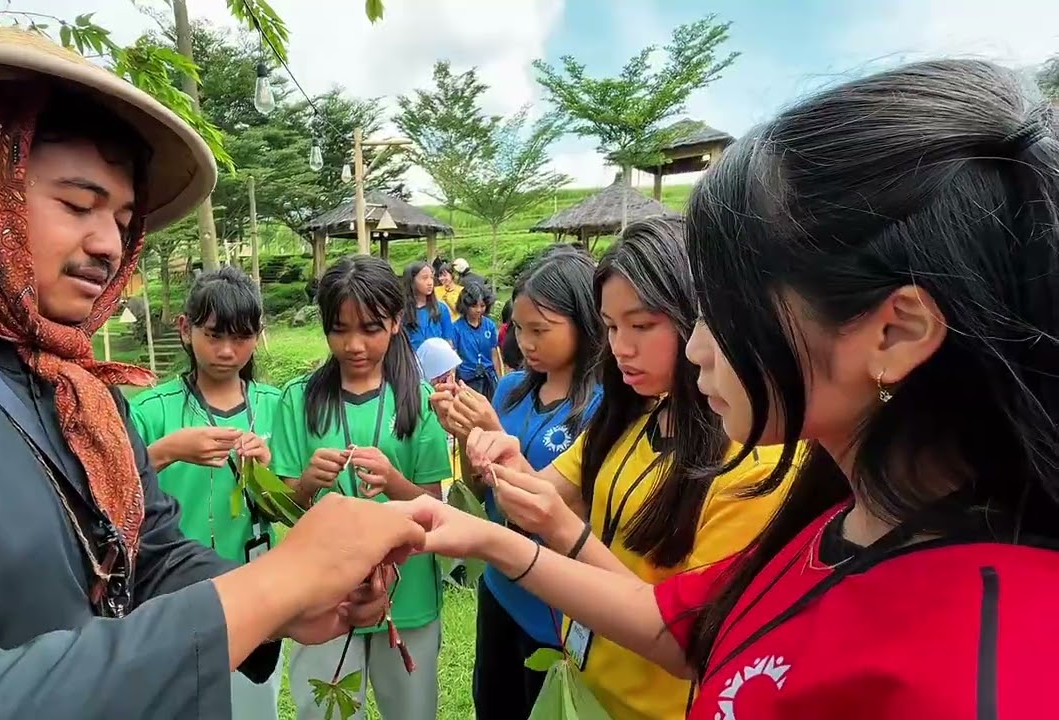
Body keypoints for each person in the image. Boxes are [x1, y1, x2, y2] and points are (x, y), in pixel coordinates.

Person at [0, 27, 417, 719]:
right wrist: (271, 591)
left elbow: (153, 556)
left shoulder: (80, 389)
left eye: (120, 217)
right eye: (77, 205)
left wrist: (293, 597)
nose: (110, 244)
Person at [399, 59, 1059, 718]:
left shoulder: (985, 676)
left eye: (725, 309)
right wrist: (487, 537)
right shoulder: (841, 522)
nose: (696, 347)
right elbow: (686, 629)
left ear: (894, 334)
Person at [463, 217, 792, 719]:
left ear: (703, 317)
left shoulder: (756, 461)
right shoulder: (635, 417)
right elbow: (545, 491)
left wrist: (566, 533)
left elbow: (687, 643)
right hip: (583, 684)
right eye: (611, 327)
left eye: (641, 326)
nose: (620, 348)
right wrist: (504, 457)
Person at [272, 255, 451, 720]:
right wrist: (307, 482)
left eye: (370, 328)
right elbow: (283, 502)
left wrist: (395, 483)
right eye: (339, 329)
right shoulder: (300, 399)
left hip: (406, 596)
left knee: (412, 711)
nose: (353, 345)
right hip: (324, 597)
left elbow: (435, 507)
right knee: (325, 712)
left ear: (395, 322)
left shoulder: (420, 400)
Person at [433, 247, 605, 719]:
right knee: (493, 702)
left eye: (540, 331)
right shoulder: (512, 389)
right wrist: (468, 435)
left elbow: (553, 510)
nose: (525, 343)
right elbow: (482, 488)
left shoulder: (602, 410)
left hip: (555, 601)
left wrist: (495, 432)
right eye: (521, 329)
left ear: (586, 323)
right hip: (501, 585)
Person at [129, 266, 282, 719]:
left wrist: (269, 474)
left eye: (241, 336)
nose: (227, 351)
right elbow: (113, 493)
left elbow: (294, 503)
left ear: (258, 335)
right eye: (214, 335)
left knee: (255, 705)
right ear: (185, 328)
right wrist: (166, 451)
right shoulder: (150, 410)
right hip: (170, 595)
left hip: (254, 591)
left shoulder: (276, 406)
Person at [450, 280, 500, 399]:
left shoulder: (490, 326)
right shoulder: (456, 328)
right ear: (465, 306)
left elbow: (494, 354)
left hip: (488, 379)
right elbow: (454, 357)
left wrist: (500, 379)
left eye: (482, 306)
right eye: (474, 306)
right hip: (467, 381)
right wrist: (452, 382)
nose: (478, 310)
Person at [401, 259, 454, 350]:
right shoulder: (401, 311)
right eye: (425, 278)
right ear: (412, 281)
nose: (430, 283)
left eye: (431, 277)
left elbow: (448, 341)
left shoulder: (441, 309)